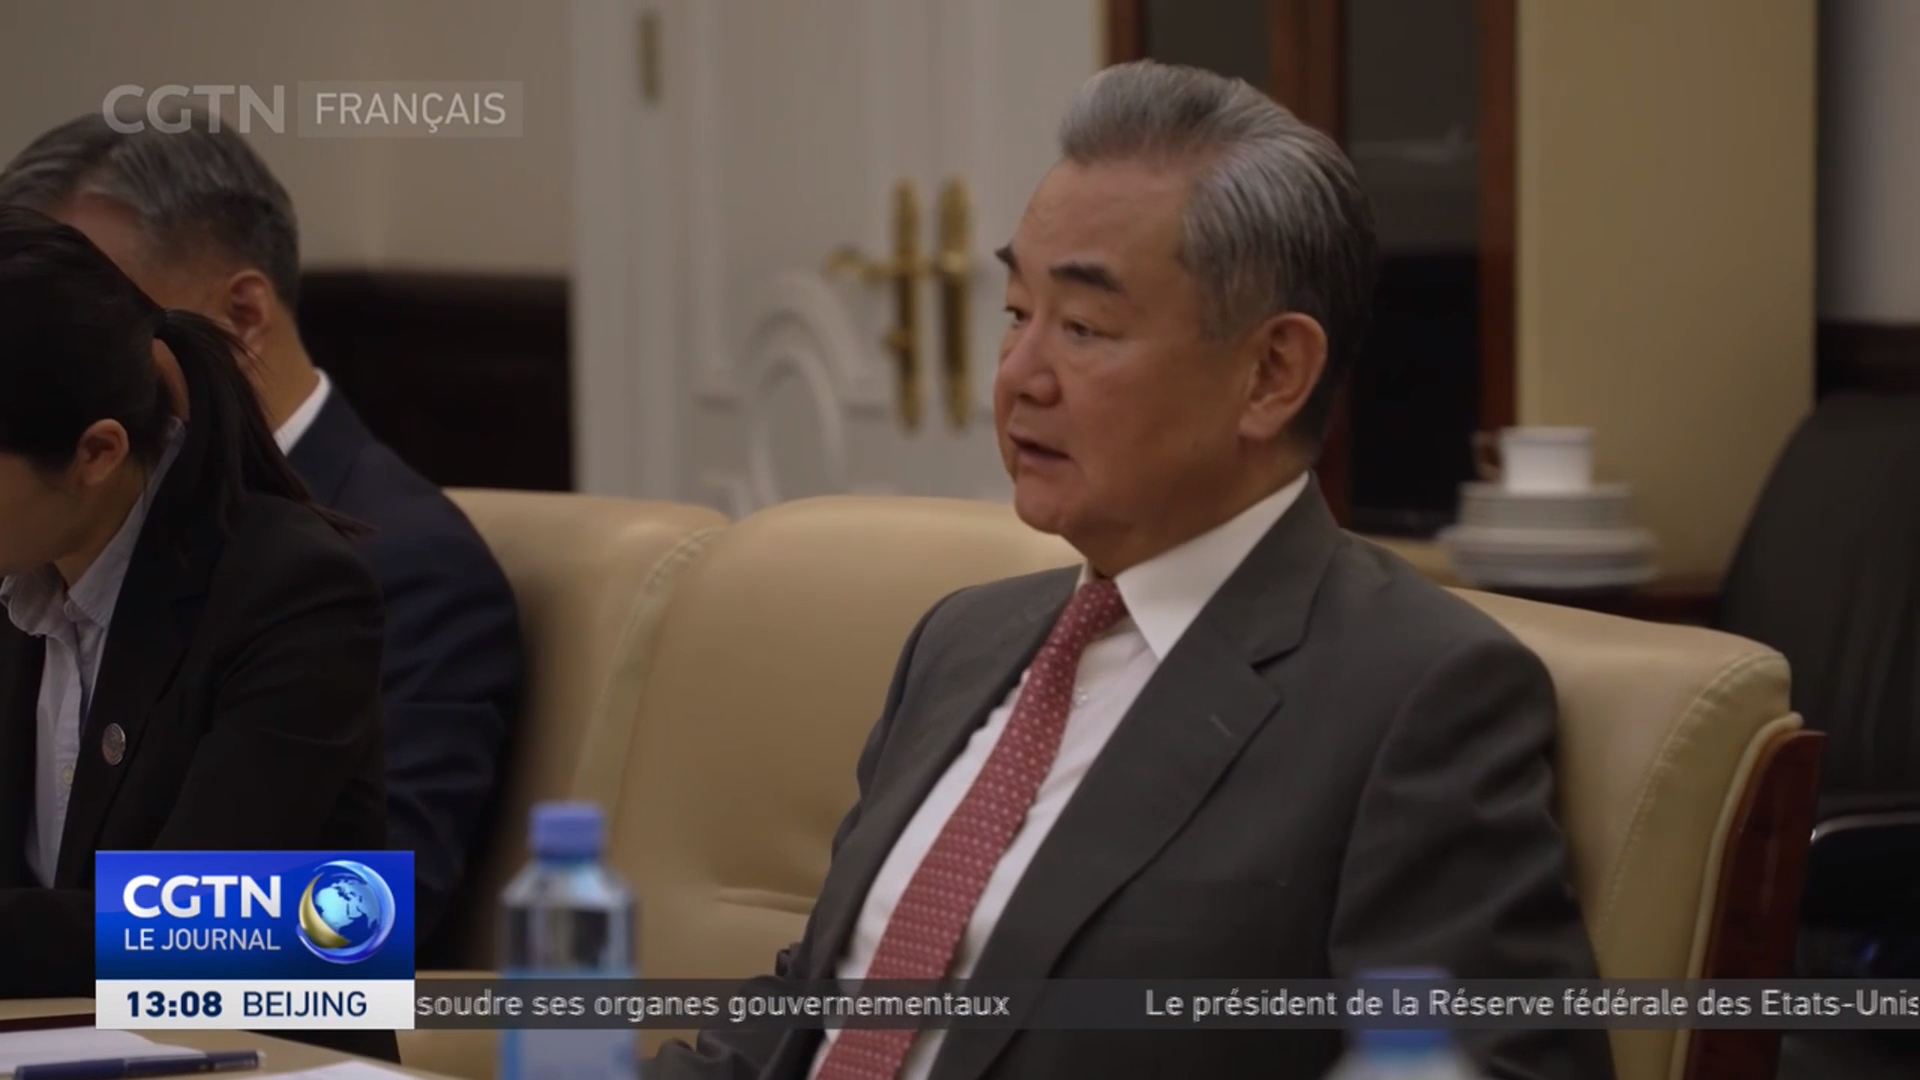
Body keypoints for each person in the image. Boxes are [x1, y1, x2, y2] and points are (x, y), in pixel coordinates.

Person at [651, 62, 1613, 1080]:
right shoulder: (960, 641)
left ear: (1272, 373)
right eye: (1016, 312)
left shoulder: (1414, 696)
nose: (1019, 377)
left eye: (1083, 328)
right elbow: (818, 998)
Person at [0, 113, 525, 948]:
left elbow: (353, 917)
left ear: (98, 451)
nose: (96, 333)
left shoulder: (341, 571)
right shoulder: (38, 555)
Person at [0, 206, 395, 1061]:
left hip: (255, 1057)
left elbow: (199, 923)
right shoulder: (20, 567)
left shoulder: (292, 593)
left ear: (97, 453)